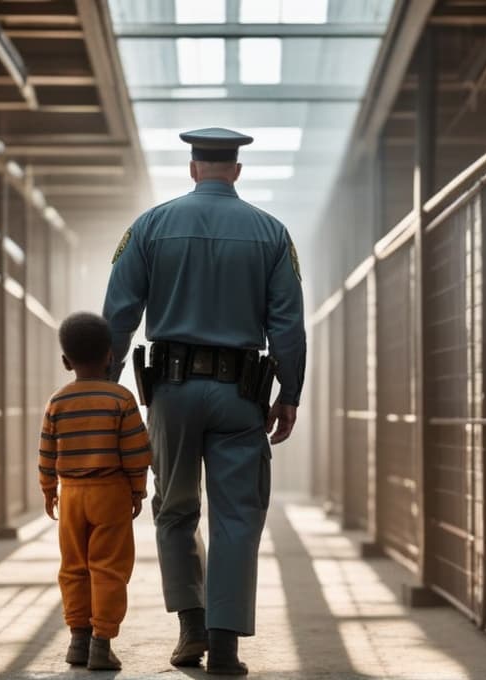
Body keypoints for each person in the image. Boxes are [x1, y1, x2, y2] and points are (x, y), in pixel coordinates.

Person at [102, 127, 306, 675]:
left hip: (170, 393)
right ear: (235, 171)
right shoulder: (271, 233)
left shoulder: (149, 226)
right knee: (237, 515)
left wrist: (105, 383)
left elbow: (118, 313)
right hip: (241, 396)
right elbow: (287, 321)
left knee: (174, 508)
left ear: (193, 168)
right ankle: (226, 646)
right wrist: (290, 391)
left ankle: (190, 626)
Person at [38, 312, 152, 671]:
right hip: (111, 492)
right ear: (110, 356)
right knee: (109, 568)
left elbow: (47, 451)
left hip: (71, 494)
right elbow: (136, 451)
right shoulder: (121, 399)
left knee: (73, 567)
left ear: (66, 361)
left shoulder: (57, 402)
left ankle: (77, 640)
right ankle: (101, 643)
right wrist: (137, 489)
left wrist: (48, 488)